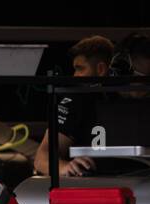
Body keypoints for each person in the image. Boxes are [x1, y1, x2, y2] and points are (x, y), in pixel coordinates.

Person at [33, 35, 115, 177]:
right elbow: (42, 159)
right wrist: (65, 167)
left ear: (101, 69)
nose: (75, 75)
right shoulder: (75, 100)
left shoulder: (125, 97)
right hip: (92, 181)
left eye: (80, 69)